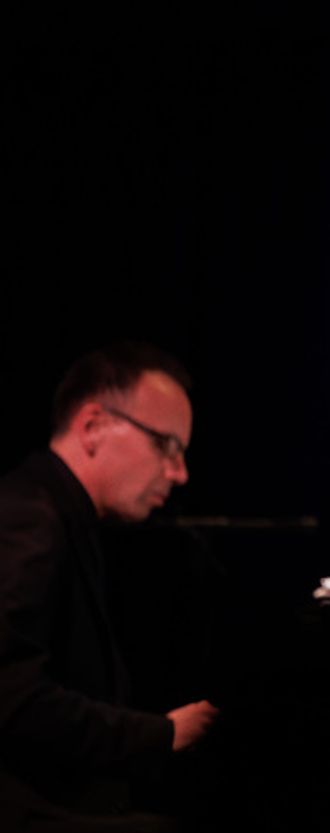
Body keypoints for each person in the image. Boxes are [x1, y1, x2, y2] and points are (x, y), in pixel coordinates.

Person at [0, 342, 219, 832]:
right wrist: (161, 734)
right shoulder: (28, 520)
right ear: (93, 425)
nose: (180, 473)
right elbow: (11, 697)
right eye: (167, 446)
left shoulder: (53, 513)